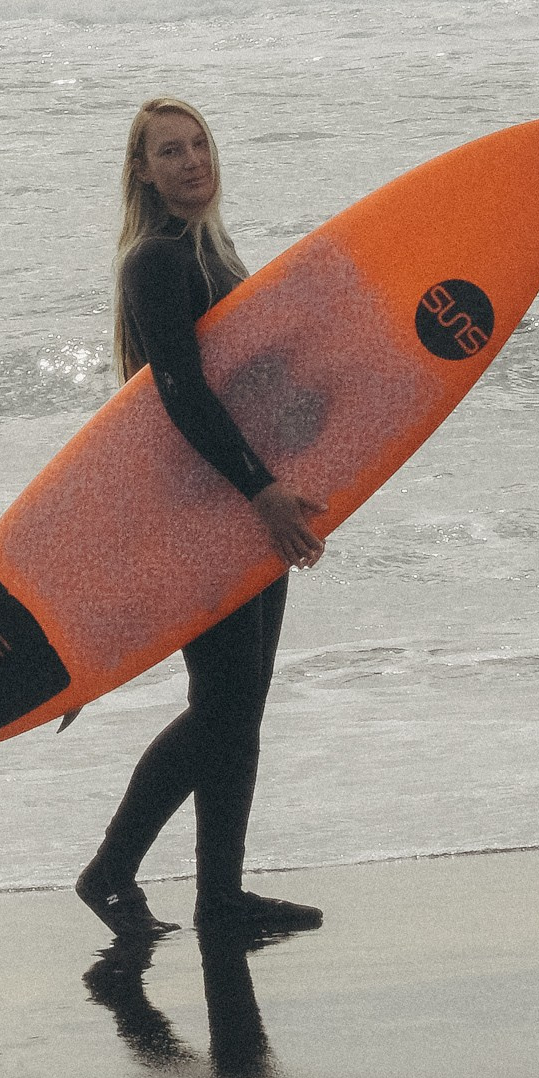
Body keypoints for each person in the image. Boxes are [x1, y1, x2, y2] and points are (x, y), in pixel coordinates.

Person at [73, 97, 328, 942]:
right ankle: (115, 869)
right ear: (142, 170)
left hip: (249, 506)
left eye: (199, 145)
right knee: (222, 703)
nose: (190, 161)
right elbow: (183, 393)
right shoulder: (155, 260)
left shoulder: (213, 253)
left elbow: (253, 383)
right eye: (169, 151)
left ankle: (221, 893)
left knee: (238, 704)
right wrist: (260, 489)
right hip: (204, 511)